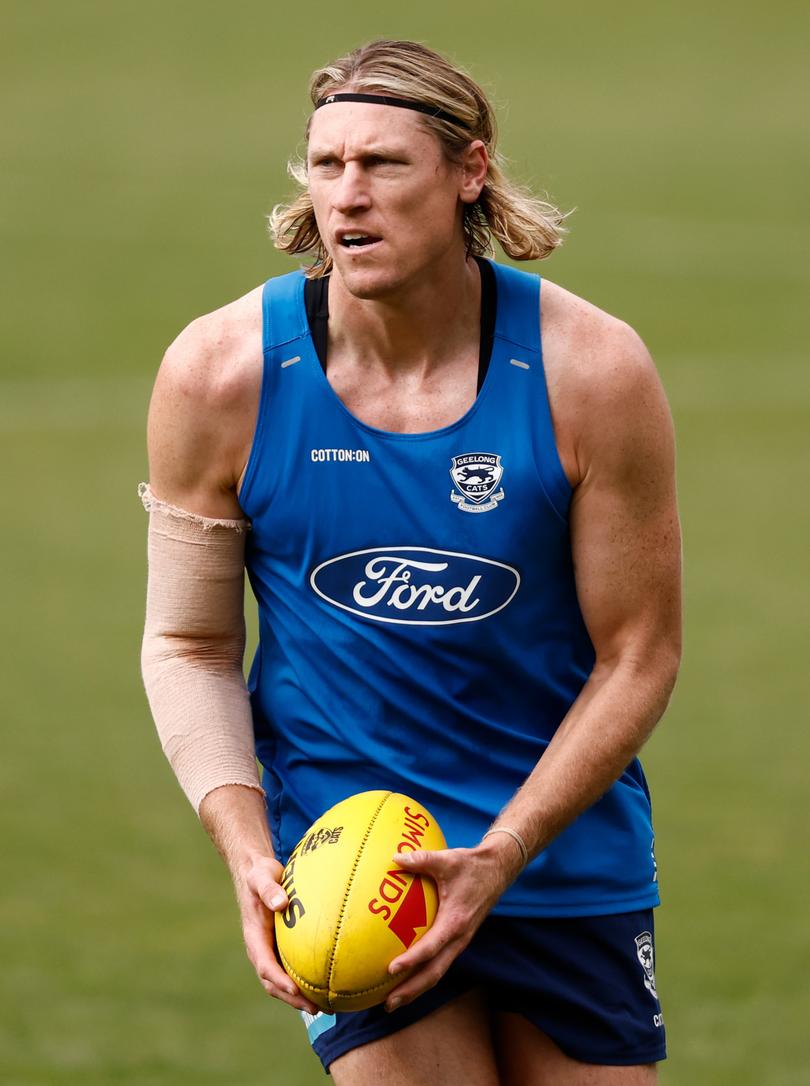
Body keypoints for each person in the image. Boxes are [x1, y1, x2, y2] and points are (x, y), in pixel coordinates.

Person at [141, 39, 681, 1085]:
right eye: (327, 164)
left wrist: (504, 853)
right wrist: (251, 850)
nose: (348, 197)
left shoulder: (591, 371)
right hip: (357, 873)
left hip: (564, 857)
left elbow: (640, 654)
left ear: (468, 171)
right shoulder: (220, 375)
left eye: (383, 164)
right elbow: (188, 641)